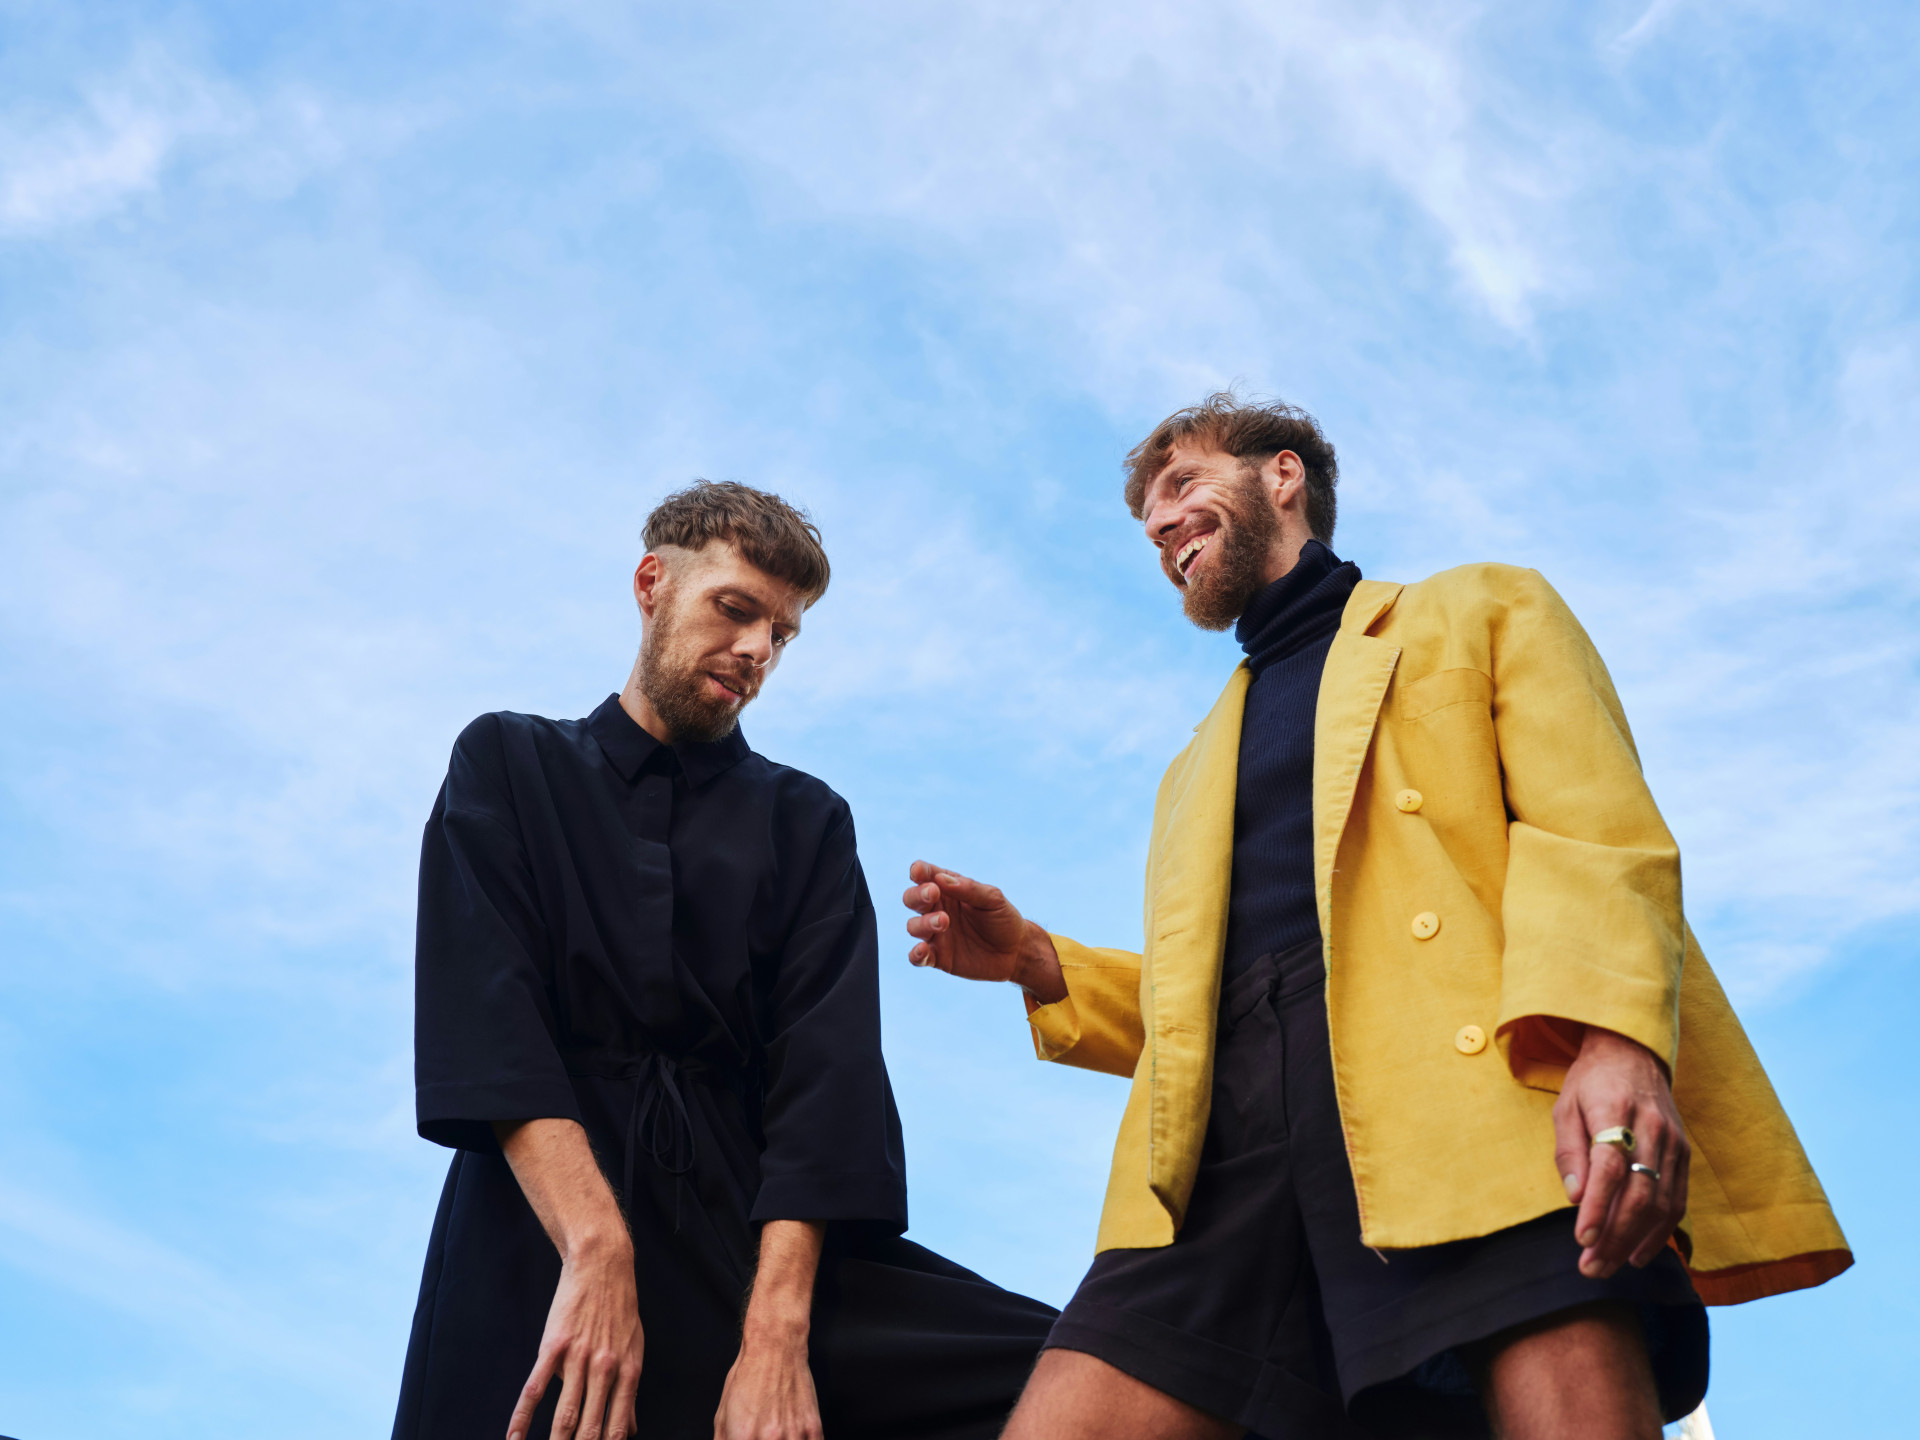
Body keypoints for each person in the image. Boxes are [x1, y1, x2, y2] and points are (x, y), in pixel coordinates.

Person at [903, 394, 1851, 1440]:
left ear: (1283, 475)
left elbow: (1591, 835)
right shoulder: (1192, 765)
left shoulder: (1481, 608)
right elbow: (1220, 999)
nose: (1161, 523)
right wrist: (1043, 964)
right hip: (1224, 1164)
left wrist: (1616, 1044)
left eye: (1181, 485)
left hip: (1467, 1101)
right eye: (1148, 519)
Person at [393, 481, 1056, 1440]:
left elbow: (826, 1085)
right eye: (735, 609)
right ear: (651, 585)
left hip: (753, 1242)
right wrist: (598, 1253)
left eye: (781, 634)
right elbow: (488, 1020)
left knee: (1091, 1372)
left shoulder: (807, 822)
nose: (757, 651)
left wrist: (776, 1340)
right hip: (537, 1235)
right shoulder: (507, 761)